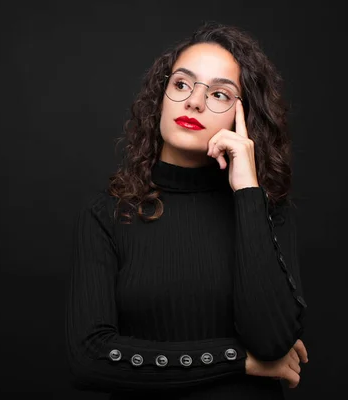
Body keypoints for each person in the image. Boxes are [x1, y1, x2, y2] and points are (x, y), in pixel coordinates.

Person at [64, 21, 309, 400]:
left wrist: (247, 190)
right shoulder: (108, 214)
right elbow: (89, 358)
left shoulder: (266, 211)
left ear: (243, 118)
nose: (194, 101)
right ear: (160, 97)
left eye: (219, 94)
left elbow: (272, 341)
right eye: (181, 84)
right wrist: (237, 360)